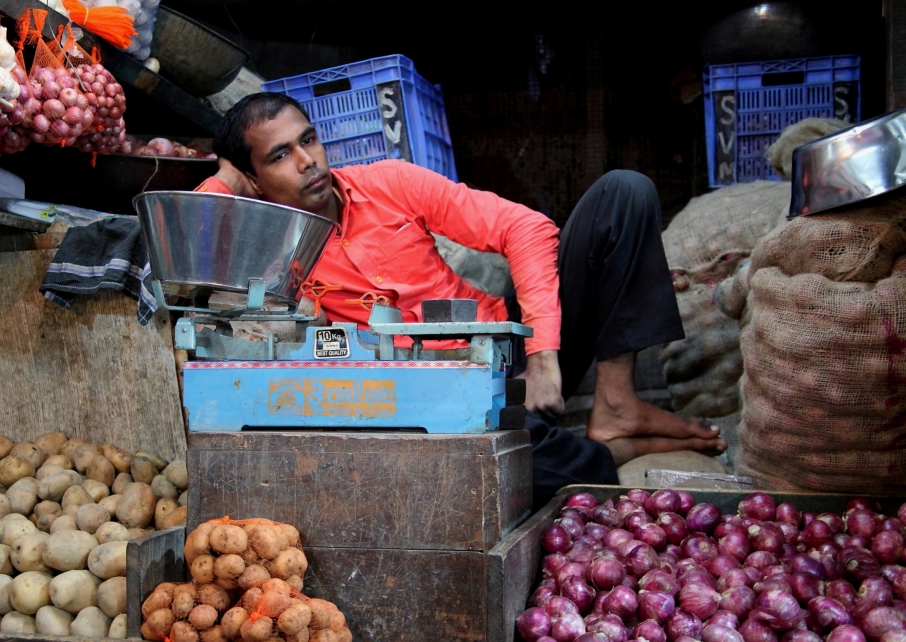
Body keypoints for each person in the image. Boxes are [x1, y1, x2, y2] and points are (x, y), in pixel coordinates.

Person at [194, 92, 726, 506]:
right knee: (481, 473)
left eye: (308, 139)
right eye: (280, 156)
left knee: (624, 193)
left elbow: (524, 227)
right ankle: (608, 452)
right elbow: (187, 243)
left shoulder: (388, 182)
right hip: (430, 399)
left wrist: (541, 356)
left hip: (501, 346)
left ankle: (615, 404)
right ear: (254, 180)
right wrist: (224, 180)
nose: (308, 161)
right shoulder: (263, 243)